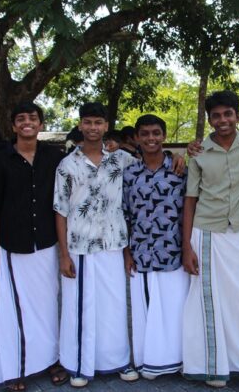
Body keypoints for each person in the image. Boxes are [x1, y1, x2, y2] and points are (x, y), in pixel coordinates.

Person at [182, 90, 239, 392]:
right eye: (216, 115)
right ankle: (214, 365)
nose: (223, 120)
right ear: (209, 119)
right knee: (208, 301)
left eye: (228, 114)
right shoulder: (198, 152)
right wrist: (186, 246)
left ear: (238, 116)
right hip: (205, 232)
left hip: (238, 233)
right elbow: (190, 200)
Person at [53, 103, 141, 388]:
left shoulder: (121, 159)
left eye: (98, 122)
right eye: (88, 122)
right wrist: (63, 255)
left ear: (106, 126)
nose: (93, 127)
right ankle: (79, 363)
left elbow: (150, 166)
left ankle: (118, 360)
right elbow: (60, 210)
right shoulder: (67, 165)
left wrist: (177, 159)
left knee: (114, 305)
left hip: (114, 244)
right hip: (79, 247)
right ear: (80, 125)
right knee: (80, 306)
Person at [0, 102, 68, 391]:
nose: (27, 123)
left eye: (33, 118)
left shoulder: (54, 157)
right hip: (13, 246)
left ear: (41, 124)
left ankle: (51, 360)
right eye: (21, 119)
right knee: (13, 309)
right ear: (13, 126)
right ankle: (15, 367)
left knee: (47, 306)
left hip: (45, 243)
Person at [122, 114, 189, 380]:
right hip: (141, 253)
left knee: (175, 308)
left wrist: (187, 248)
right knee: (145, 311)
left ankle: (178, 359)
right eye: (145, 133)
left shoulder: (179, 169)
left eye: (156, 133)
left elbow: (188, 209)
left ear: (163, 136)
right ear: (137, 137)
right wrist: (126, 253)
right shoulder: (129, 173)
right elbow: (124, 214)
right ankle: (147, 360)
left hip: (173, 252)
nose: (151, 138)